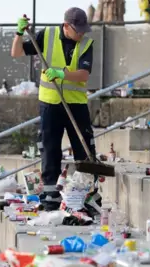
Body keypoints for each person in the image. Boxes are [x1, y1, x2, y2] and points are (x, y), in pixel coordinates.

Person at [11, 7, 97, 211]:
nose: (81, 34)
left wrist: (61, 73)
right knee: (50, 149)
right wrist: (19, 33)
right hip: (50, 103)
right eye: (78, 30)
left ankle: (89, 195)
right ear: (66, 26)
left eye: (84, 30)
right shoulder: (46, 35)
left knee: (84, 148)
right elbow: (16, 52)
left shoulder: (86, 43)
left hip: (76, 104)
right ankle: (51, 196)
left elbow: (84, 75)